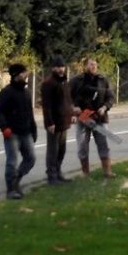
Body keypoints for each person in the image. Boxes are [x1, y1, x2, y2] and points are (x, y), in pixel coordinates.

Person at [0, 63, 37, 199]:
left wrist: (33, 130)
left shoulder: (26, 92)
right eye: (24, 74)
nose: (26, 76)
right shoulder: (7, 92)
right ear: (16, 75)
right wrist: (4, 127)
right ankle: (11, 190)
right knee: (12, 161)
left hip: (26, 132)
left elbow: (30, 113)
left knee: (30, 158)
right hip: (12, 132)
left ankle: (16, 180)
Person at [69, 58, 115, 178]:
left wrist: (104, 107)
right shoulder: (76, 81)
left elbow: (110, 98)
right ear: (85, 66)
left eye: (95, 64)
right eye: (91, 64)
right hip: (82, 118)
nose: (93, 66)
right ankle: (85, 173)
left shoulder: (103, 80)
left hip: (100, 118)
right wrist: (74, 107)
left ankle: (107, 171)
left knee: (103, 144)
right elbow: (66, 97)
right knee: (82, 146)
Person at [40, 55, 77, 185]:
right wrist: (49, 122)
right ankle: (52, 175)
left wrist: (72, 114)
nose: (61, 69)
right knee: (53, 150)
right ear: (53, 68)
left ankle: (58, 172)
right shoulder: (48, 83)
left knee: (62, 149)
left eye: (62, 67)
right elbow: (46, 105)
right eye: (58, 67)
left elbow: (68, 100)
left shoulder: (64, 82)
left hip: (64, 122)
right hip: (54, 123)